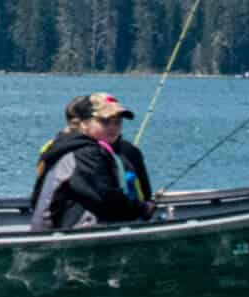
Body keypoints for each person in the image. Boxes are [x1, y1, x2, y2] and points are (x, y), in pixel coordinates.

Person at [28, 91, 157, 231]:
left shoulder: (75, 146)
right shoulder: (85, 154)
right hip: (60, 235)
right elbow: (106, 199)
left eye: (117, 122)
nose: (113, 127)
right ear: (84, 123)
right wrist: (142, 208)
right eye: (105, 121)